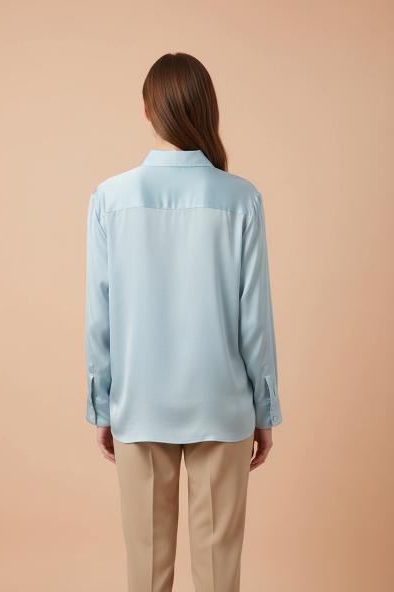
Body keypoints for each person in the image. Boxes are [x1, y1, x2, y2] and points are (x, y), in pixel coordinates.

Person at [84, 52, 283, 592]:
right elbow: (254, 319)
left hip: (139, 403)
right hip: (221, 404)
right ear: (206, 108)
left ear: (148, 109)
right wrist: (264, 410)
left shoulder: (110, 198)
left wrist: (102, 405)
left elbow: (100, 313)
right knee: (219, 574)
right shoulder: (241, 198)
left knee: (146, 573)